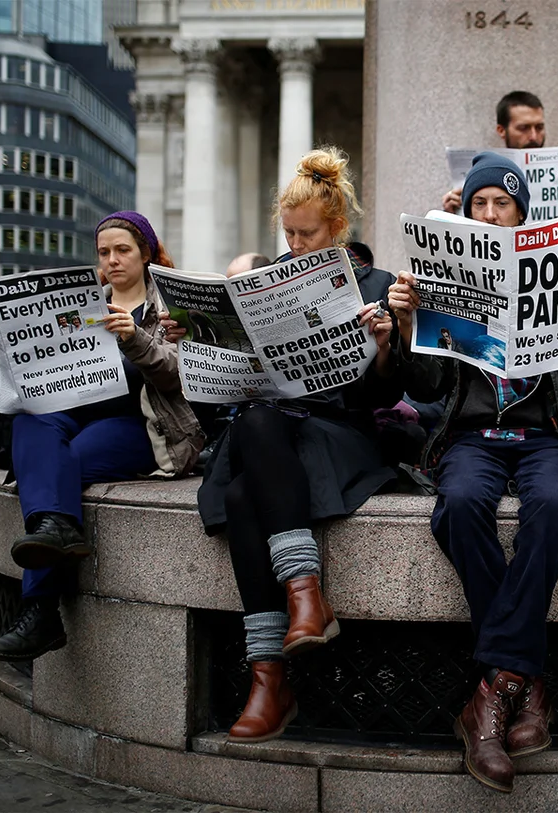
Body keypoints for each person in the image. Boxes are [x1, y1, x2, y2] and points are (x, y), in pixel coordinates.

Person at [389, 151, 558, 793]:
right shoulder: (443, 274)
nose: (490, 213)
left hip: (547, 435)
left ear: (522, 212)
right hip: (472, 436)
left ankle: (491, 693)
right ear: (465, 211)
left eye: (502, 203)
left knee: (555, 503)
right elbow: (429, 383)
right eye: (479, 204)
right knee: (461, 501)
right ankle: (525, 678)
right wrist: (412, 322)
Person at [196, 147, 401, 744]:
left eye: (306, 234)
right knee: (245, 469)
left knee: (245, 482)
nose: (296, 244)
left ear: (337, 228)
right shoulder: (268, 282)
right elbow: (219, 392)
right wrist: (201, 341)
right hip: (272, 430)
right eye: (287, 233)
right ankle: (299, 612)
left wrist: (385, 343)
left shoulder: (374, 284)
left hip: (341, 434)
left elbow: (383, 393)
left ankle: (272, 674)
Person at [0, 211, 205, 661]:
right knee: (30, 423)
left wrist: (136, 337)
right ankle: (58, 533)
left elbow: (182, 376)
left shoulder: (171, 306)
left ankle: (39, 610)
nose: (112, 260)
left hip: (142, 425)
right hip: (72, 413)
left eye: (123, 251)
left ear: (146, 254)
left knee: (66, 463)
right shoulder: (83, 302)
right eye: (104, 252)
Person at [440, 91, 558, 261]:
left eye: (539, 127)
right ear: (501, 130)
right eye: (523, 128)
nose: (533, 136)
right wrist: (448, 217)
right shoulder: (480, 173)